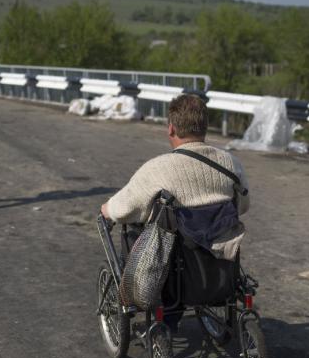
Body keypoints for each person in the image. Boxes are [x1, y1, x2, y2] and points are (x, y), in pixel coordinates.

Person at [101, 93, 250, 326]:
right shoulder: (231, 164)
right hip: (219, 256)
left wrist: (106, 209)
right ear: (205, 127)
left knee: (135, 234)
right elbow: (243, 206)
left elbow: (123, 210)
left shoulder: (158, 169)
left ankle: (155, 308)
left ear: (171, 129)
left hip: (176, 266)